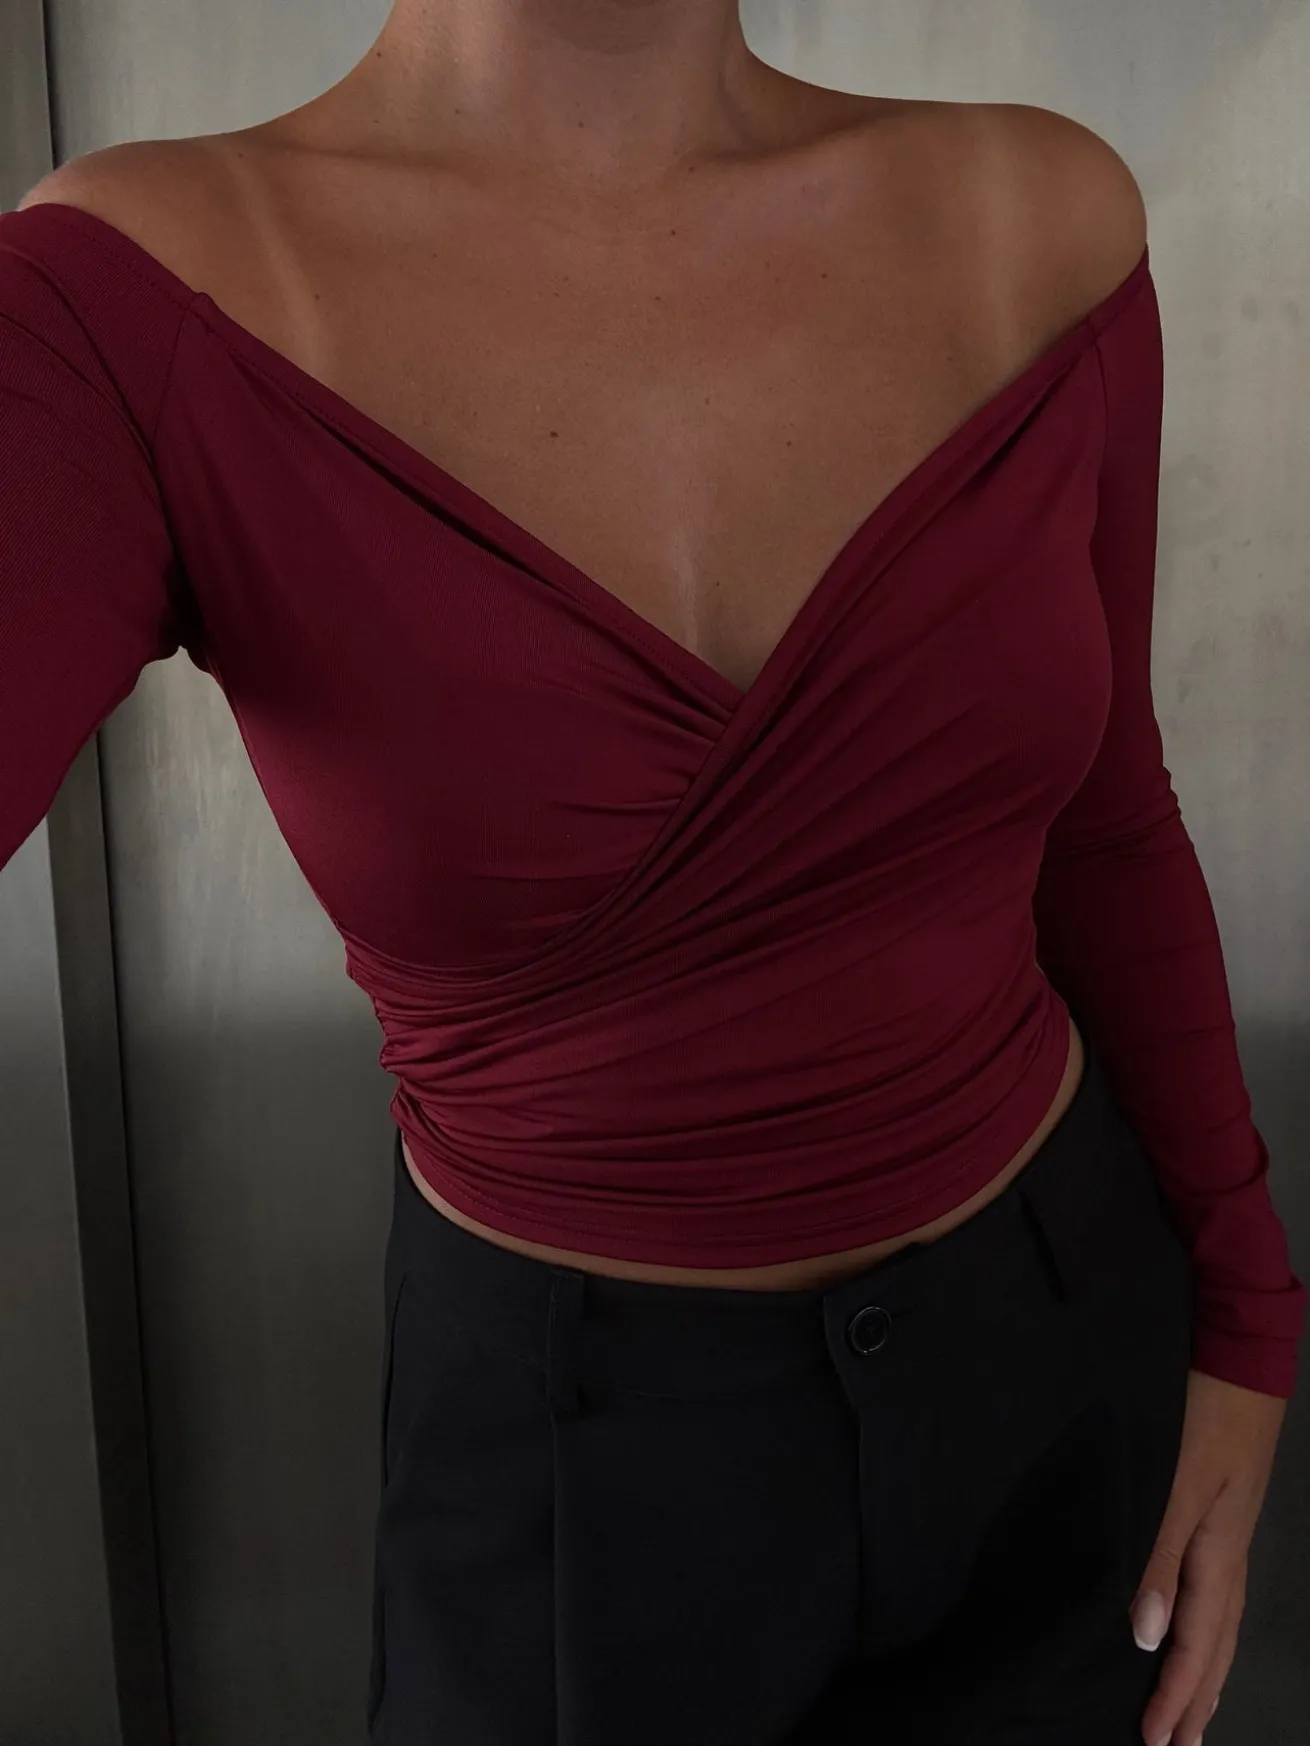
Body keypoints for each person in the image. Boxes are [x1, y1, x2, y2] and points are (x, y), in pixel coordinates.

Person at [0, 4, 1303, 1743]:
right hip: (571, 1460)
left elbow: (1106, 818)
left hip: (1061, 1353)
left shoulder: (1033, 217)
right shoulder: (119, 303)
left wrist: (1246, 1310)